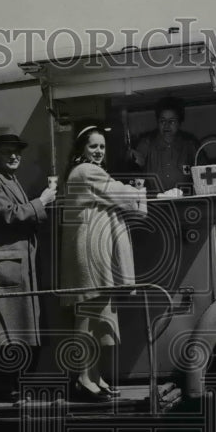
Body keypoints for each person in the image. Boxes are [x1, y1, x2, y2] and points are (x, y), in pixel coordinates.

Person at [59, 122, 147, 401]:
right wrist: (140, 189)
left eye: (102, 147)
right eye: (93, 146)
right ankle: (83, 379)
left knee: (96, 318)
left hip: (91, 249)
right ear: (81, 149)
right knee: (89, 316)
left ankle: (94, 376)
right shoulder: (86, 171)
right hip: (89, 253)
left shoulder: (86, 171)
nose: (98, 151)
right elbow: (120, 193)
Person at [0, 126, 56, 402]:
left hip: (18, 269)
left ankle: (19, 390)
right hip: (6, 270)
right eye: (7, 152)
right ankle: (5, 391)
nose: (13, 156)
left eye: (16, 152)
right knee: (5, 332)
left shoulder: (9, 179)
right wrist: (42, 201)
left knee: (22, 330)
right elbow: (10, 215)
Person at [129, 96, 198, 193]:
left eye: (172, 121)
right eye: (162, 121)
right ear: (157, 122)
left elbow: (204, 174)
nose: (166, 125)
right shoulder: (146, 144)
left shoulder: (190, 145)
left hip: (184, 203)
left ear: (179, 122)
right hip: (155, 204)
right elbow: (133, 171)